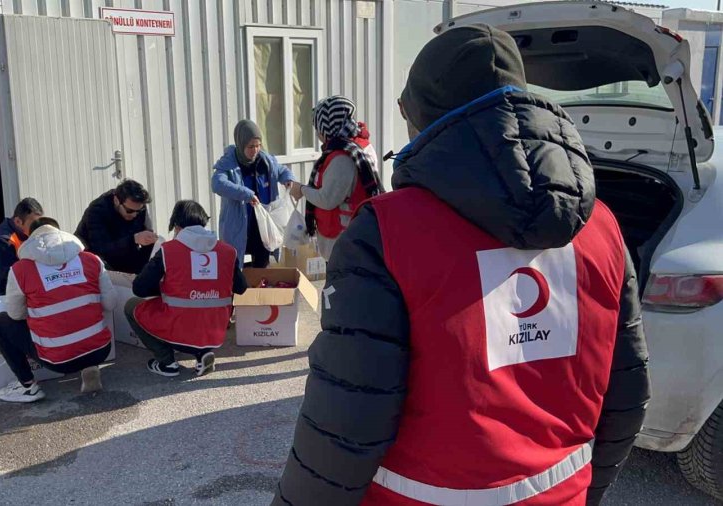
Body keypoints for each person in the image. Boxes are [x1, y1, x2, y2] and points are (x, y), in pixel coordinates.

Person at [273, 25, 650, 506]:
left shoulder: (387, 235)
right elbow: (628, 395)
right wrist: (585, 493)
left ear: (426, 118)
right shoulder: (603, 228)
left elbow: (344, 424)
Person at [0, 217, 116, 403]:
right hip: (101, 350)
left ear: (31, 239)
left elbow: (16, 314)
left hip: (58, 361)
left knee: (0, 323)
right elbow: (110, 304)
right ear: (61, 234)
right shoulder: (91, 260)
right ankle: (89, 365)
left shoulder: (20, 270)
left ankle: (28, 387)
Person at [125, 200, 248, 377]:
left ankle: (166, 362)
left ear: (176, 226)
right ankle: (202, 353)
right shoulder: (228, 251)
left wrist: (168, 286)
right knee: (197, 313)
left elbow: (139, 289)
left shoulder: (168, 250)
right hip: (216, 330)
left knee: (131, 306)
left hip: (179, 329)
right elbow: (242, 288)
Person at [289, 96, 384, 261]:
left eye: (318, 127)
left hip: (343, 239)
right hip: (358, 232)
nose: (318, 134)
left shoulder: (342, 157)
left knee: (341, 284)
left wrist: (302, 190)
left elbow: (328, 199)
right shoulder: (359, 146)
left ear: (327, 127)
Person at [212, 120, 296, 268]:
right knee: (235, 268)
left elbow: (281, 170)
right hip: (239, 227)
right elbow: (217, 184)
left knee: (262, 266)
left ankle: (259, 291)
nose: (255, 150)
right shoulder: (228, 164)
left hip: (262, 226)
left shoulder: (266, 161)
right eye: (250, 146)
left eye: (258, 146)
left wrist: (287, 178)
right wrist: (245, 194)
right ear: (240, 144)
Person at [75, 179, 158, 274]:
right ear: (116, 200)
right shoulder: (97, 210)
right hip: (94, 257)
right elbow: (101, 248)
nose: (134, 215)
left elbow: (147, 235)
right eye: (129, 211)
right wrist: (134, 239)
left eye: (138, 211)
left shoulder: (137, 207)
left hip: (123, 251)